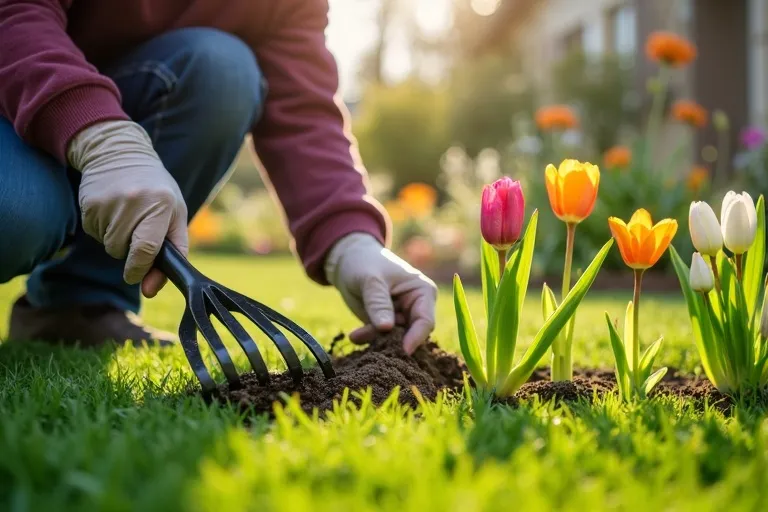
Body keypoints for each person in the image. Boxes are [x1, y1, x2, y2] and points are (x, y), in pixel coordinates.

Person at [0, 0, 437, 355]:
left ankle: (80, 302)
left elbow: (301, 110)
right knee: (15, 213)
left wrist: (351, 243)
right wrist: (101, 136)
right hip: (14, 80)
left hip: (125, 85)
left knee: (223, 69)